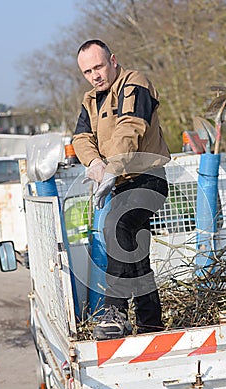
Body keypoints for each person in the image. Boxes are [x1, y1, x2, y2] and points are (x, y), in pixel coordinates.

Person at [72, 39, 170, 340]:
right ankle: (151, 321)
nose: (95, 76)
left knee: (116, 225)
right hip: (118, 184)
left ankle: (115, 312)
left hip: (147, 179)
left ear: (113, 60)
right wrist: (95, 165)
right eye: (88, 71)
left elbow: (131, 126)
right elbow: (80, 138)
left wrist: (112, 167)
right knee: (135, 252)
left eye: (99, 67)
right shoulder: (90, 100)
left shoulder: (134, 83)